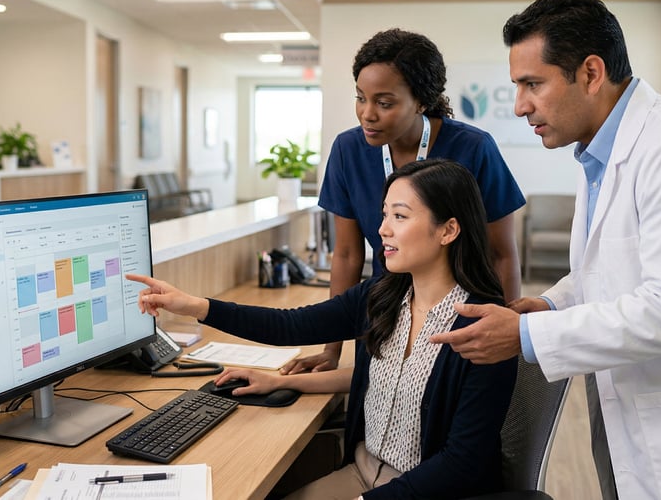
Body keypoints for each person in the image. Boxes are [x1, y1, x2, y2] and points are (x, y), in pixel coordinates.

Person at [430, 0, 661, 499]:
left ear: (591, 73)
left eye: (532, 84)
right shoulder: (597, 153)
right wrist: (550, 303)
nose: (520, 105)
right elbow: (606, 271)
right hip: (635, 413)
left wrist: (528, 335)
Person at [127, 159, 517, 499]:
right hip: (362, 473)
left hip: (424, 492)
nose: (383, 229)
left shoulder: (483, 327)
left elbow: (464, 462)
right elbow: (291, 325)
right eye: (384, 215)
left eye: (400, 216)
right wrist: (197, 307)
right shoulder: (381, 298)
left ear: (448, 230)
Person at [283, 28, 525, 375]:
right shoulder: (348, 150)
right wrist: (331, 349)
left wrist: (506, 333)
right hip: (386, 314)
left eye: (384, 103)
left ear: (422, 101)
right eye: (360, 97)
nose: (367, 113)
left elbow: (500, 252)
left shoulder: (473, 148)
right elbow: (349, 255)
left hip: (460, 318)